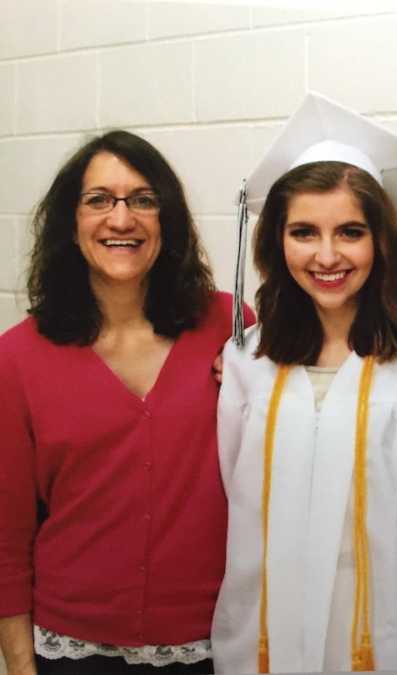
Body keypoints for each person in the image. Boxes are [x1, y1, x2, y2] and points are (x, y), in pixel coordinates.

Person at [0, 130, 252, 675]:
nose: (121, 219)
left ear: (169, 220)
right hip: (72, 651)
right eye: (98, 201)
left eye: (143, 200)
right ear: (71, 222)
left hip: (217, 644)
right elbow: (6, 536)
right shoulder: (17, 358)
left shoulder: (230, 327)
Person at [211, 93, 397, 674]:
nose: (327, 255)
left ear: (380, 241)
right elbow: (231, 483)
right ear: (276, 240)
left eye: (351, 232)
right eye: (304, 232)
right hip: (262, 631)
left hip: (374, 633)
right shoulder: (246, 360)